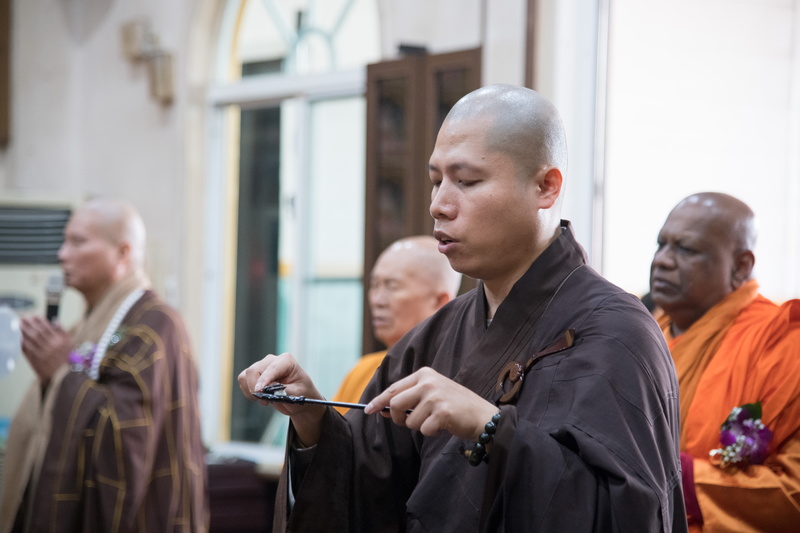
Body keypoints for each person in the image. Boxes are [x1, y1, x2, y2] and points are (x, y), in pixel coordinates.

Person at [239, 84, 687, 532]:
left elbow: (630, 514)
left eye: (467, 181)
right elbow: (367, 485)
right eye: (436, 181)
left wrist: (488, 426)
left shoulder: (617, 333)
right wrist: (311, 415)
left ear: (546, 187)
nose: (439, 205)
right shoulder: (437, 334)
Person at [0, 198, 208, 533]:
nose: (62, 254)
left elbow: (126, 442)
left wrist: (61, 374)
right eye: (64, 241)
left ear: (123, 253)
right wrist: (54, 377)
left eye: (77, 242)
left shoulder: (155, 326)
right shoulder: (86, 324)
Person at [649, 192, 800, 532]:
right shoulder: (639, 333)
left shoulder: (783, 344)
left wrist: (681, 479)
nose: (662, 260)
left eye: (685, 249)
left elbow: (793, 493)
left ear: (741, 266)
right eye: (661, 245)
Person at [331, 235, 461, 414]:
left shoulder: (454, 380)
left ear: (440, 302)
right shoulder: (362, 371)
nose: (377, 300)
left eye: (392, 286)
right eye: (375, 285)